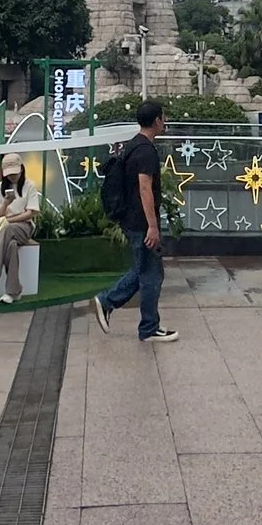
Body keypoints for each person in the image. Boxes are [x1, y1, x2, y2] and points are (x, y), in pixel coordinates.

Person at [91, 100, 176, 343]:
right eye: (164, 117)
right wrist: (152, 225)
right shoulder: (145, 151)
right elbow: (144, 188)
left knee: (149, 271)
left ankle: (146, 324)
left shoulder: (133, 146)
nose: (165, 121)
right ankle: (116, 306)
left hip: (131, 219)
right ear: (157, 120)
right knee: (149, 273)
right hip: (140, 222)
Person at [0, 157, 39, 305]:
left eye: (15, 173)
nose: (13, 176)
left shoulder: (29, 185)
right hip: (6, 228)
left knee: (8, 228)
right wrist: (6, 202)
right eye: (10, 174)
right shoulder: (0, 188)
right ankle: (13, 291)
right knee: (11, 245)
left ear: (21, 169)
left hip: (24, 227)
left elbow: (31, 213)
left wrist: (11, 219)